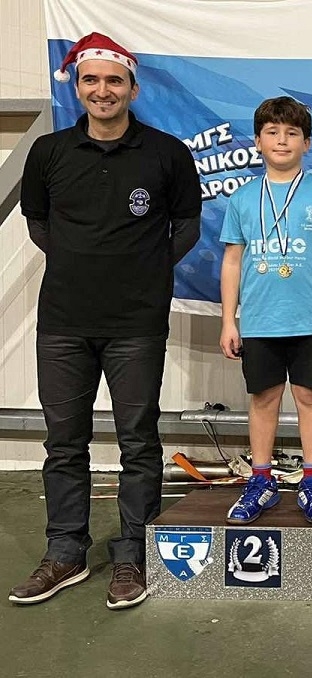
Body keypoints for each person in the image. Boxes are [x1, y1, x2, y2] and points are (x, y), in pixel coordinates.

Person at [10, 33, 201, 609]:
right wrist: (81, 265)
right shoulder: (48, 153)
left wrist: (142, 271)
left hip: (136, 324)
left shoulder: (167, 153)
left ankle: (133, 553)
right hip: (63, 323)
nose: (103, 90)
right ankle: (65, 552)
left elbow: (187, 226)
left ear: (132, 89)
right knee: (64, 443)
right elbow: (38, 222)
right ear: (77, 86)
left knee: (138, 441)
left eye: (114, 80)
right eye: (91, 79)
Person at [219, 96, 312, 526]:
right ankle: (260, 481)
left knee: (310, 396)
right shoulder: (243, 198)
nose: (282, 140)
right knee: (263, 398)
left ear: (307, 143)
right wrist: (228, 321)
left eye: (292, 133)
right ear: (257, 141)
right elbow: (232, 261)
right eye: (273, 132)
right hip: (260, 319)